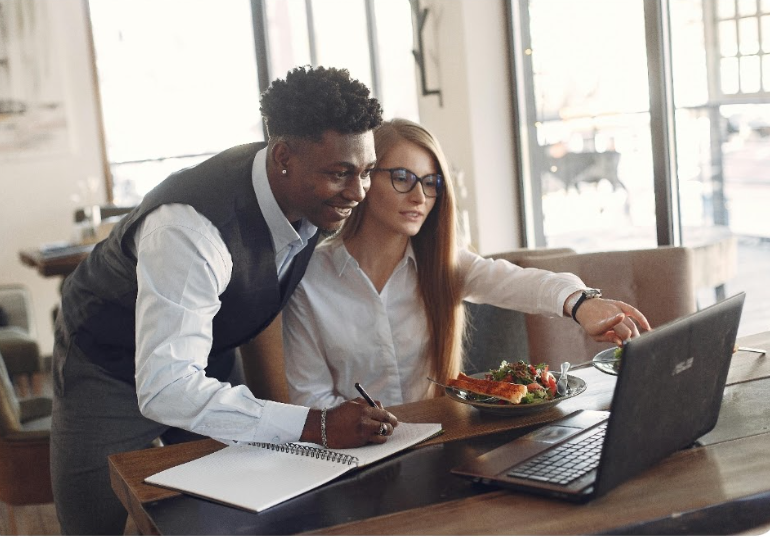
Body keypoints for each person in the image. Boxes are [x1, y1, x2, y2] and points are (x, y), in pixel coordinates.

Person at [50, 66, 398, 536]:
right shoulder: (189, 229)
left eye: (367, 172)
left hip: (208, 353)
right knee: (93, 525)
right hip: (105, 362)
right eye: (340, 174)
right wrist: (315, 425)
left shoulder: (311, 193)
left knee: (243, 507)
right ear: (282, 157)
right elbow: (167, 387)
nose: (357, 192)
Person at [282, 118, 651, 408]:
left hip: (439, 441)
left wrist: (581, 303)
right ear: (364, 177)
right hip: (355, 457)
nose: (420, 196)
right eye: (402, 178)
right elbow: (310, 397)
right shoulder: (308, 278)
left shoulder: (445, 265)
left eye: (431, 182)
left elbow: (519, 282)